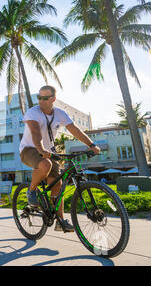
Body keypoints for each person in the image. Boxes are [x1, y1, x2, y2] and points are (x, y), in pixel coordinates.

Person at [19, 85, 101, 233]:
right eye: (39, 97)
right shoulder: (33, 112)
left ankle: (60, 221)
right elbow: (35, 132)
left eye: (45, 98)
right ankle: (31, 191)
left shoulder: (60, 114)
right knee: (45, 164)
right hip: (29, 149)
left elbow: (75, 130)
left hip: (48, 151)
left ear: (53, 99)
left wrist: (92, 144)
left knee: (57, 183)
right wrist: (41, 149)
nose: (41, 101)